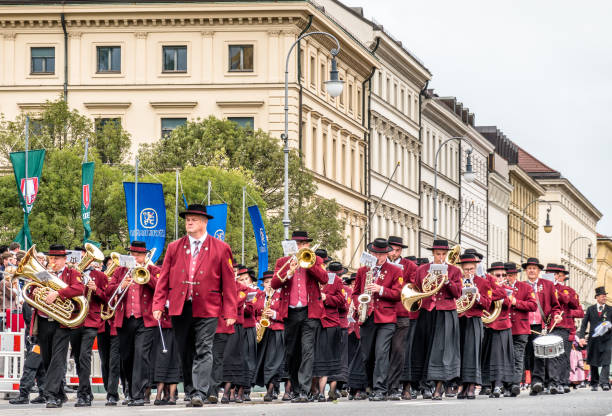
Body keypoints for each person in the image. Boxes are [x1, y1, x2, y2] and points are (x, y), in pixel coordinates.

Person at [153, 204, 237, 407]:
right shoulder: (174, 247)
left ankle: (200, 391)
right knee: (184, 350)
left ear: (204, 222)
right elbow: (163, 278)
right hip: (180, 306)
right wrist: (158, 304)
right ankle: (190, 390)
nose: (189, 222)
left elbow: (229, 281)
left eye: (194, 219)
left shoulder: (220, 247)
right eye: (187, 219)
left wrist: (230, 310)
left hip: (208, 306)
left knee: (203, 348)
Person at [271, 230, 328, 403]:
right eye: (297, 244)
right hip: (290, 312)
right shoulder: (283, 261)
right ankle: (296, 389)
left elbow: (324, 279)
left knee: (307, 351)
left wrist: (309, 265)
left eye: (303, 244)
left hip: (310, 312)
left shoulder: (316, 260)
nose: (300, 247)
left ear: (308, 245)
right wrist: (289, 270)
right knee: (292, 353)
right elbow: (274, 283)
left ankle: (304, 391)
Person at [107, 241, 161, 406]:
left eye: (138, 255)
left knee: (141, 356)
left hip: (145, 320)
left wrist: (147, 277)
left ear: (145, 256)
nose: (134, 257)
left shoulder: (153, 270)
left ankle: (139, 395)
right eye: (132, 254)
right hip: (125, 320)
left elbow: (161, 288)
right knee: (127, 357)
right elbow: (108, 290)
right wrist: (120, 285)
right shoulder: (120, 271)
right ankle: (130, 391)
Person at [30, 244, 84, 408]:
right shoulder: (42, 274)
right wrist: (42, 293)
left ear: (64, 260)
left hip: (62, 322)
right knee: (47, 359)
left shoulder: (72, 273)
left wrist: (58, 293)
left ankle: (51, 395)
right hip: (44, 321)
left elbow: (79, 288)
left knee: (58, 359)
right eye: (51, 258)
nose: (53, 261)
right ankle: (60, 393)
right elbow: (31, 291)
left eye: (57, 258)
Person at [410, 239, 462, 400]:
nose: (441, 257)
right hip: (427, 311)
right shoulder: (422, 269)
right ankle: (425, 386)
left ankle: (439, 387)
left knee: (442, 351)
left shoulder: (454, 271)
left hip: (445, 312)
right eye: (438, 254)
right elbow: (418, 288)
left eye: (443, 254)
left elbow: (458, 293)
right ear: (433, 254)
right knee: (424, 348)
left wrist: (446, 281)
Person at [352, 238, 402, 401]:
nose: (377, 257)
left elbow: (398, 294)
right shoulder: (362, 270)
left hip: (386, 318)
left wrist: (381, 289)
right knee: (367, 355)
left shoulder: (395, 270)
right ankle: (370, 386)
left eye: (380, 254)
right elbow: (355, 293)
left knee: (381, 352)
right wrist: (358, 304)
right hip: (367, 316)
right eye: (374, 253)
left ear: (386, 253)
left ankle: (381, 388)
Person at [70, 258, 109, 406]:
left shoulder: (100, 276)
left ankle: (83, 394)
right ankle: (86, 390)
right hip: (74, 320)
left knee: (84, 356)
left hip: (91, 320)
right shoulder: (72, 274)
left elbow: (106, 299)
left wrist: (96, 290)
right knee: (79, 357)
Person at [522, 258, 562, 395]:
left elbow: (556, 306)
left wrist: (556, 315)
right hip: (527, 326)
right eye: (529, 268)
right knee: (533, 355)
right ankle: (536, 382)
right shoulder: (522, 286)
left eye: (534, 268)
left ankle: (552, 382)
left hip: (543, 324)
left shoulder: (548, 285)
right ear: (526, 271)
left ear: (539, 271)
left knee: (550, 355)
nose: (531, 270)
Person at [385, 236, 417, 400]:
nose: (393, 254)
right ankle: (381, 385)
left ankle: (395, 386)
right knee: (382, 351)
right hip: (383, 313)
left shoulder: (409, 266)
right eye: (391, 250)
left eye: (397, 251)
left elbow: (411, 287)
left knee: (398, 351)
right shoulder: (381, 265)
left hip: (401, 313)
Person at [455, 253, 491, 399]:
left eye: (471, 269)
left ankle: (471, 385)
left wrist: (477, 296)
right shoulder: (458, 281)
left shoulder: (482, 282)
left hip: (474, 319)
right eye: (466, 269)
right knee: (461, 352)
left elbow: (488, 304)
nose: (469, 272)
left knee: (473, 352)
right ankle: (462, 384)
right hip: (460, 319)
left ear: (476, 268)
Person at [312, 261, 346, 401]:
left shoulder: (335, 279)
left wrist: (327, 298)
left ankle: (325, 392)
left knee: (328, 358)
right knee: (314, 359)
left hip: (330, 323)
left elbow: (342, 300)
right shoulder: (310, 278)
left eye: (323, 264)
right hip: (313, 322)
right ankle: (313, 391)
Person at [482, 262, 515, 398]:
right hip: (488, 325)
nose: (501, 277)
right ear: (491, 275)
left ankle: (501, 385)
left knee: (502, 358)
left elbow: (508, 303)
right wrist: (497, 291)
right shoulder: (486, 287)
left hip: (503, 326)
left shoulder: (508, 289)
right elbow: (487, 300)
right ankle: (489, 385)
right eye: (497, 275)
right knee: (489, 357)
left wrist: (498, 291)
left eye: (503, 275)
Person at [549, 264, 583, 393]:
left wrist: (568, 313)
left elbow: (577, 308)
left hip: (565, 326)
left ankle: (563, 382)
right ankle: (552, 382)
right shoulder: (545, 288)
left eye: (558, 275)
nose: (557, 277)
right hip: (549, 326)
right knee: (552, 356)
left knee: (563, 355)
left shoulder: (568, 290)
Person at [505, 262, 537, 397]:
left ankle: (515, 385)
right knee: (506, 358)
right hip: (505, 327)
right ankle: (507, 385)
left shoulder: (525, 287)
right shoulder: (500, 287)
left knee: (518, 357)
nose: (509, 277)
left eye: (511, 275)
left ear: (516, 275)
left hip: (521, 328)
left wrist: (516, 302)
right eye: (507, 275)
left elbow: (533, 305)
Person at [253, 271, 285, 401]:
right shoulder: (258, 296)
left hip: (277, 331)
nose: (269, 285)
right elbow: (252, 312)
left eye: (272, 282)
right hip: (262, 332)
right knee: (264, 361)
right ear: (262, 284)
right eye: (266, 282)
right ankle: (270, 388)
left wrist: (276, 314)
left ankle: (271, 390)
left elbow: (288, 315)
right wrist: (255, 322)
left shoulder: (282, 296)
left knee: (274, 362)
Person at [577, 286, 611, 391]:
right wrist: (581, 337)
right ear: (597, 297)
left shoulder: (610, 309)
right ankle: (594, 382)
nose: (604, 298)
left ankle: (604, 382)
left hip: (607, 338)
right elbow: (584, 324)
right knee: (593, 360)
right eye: (602, 296)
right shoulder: (590, 309)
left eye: (605, 296)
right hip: (593, 339)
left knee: (606, 359)